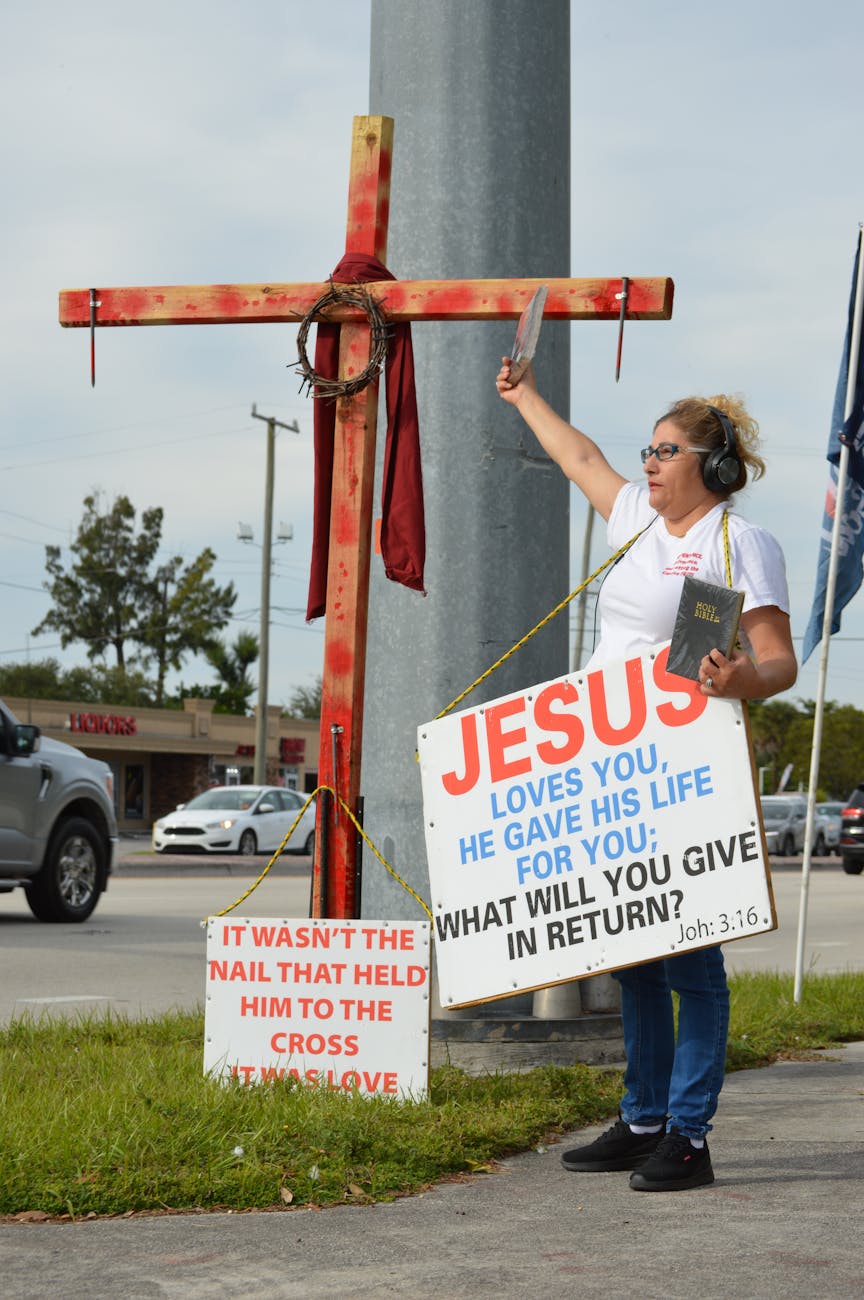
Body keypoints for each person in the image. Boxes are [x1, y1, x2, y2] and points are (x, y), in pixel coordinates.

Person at [495, 358, 797, 1192]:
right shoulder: (634, 516)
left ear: (714, 466)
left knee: (692, 963)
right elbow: (579, 457)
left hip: (685, 768)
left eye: (667, 451)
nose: (649, 464)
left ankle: (689, 1136)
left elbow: (778, 660)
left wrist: (739, 679)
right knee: (632, 955)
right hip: (612, 765)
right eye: (649, 450)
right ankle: (642, 1120)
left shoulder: (736, 544)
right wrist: (523, 395)